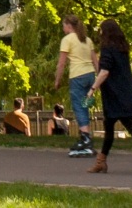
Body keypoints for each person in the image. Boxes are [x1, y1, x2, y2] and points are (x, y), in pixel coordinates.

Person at [86, 19, 132, 176]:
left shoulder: (107, 49)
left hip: (114, 97)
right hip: (125, 93)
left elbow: (104, 72)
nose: (100, 33)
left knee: (129, 129)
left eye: (101, 31)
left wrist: (92, 89)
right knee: (110, 130)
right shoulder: (123, 48)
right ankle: (101, 162)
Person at [54, 14, 97, 157]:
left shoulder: (67, 40)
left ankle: (86, 139)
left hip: (77, 76)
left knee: (79, 107)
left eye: (63, 25)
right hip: (90, 76)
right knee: (85, 106)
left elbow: (61, 63)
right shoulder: (87, 40)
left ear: (68, 25)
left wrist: (57, 80)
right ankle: (86, 136)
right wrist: (98, 80)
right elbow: (95, 61)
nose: (62, 28)